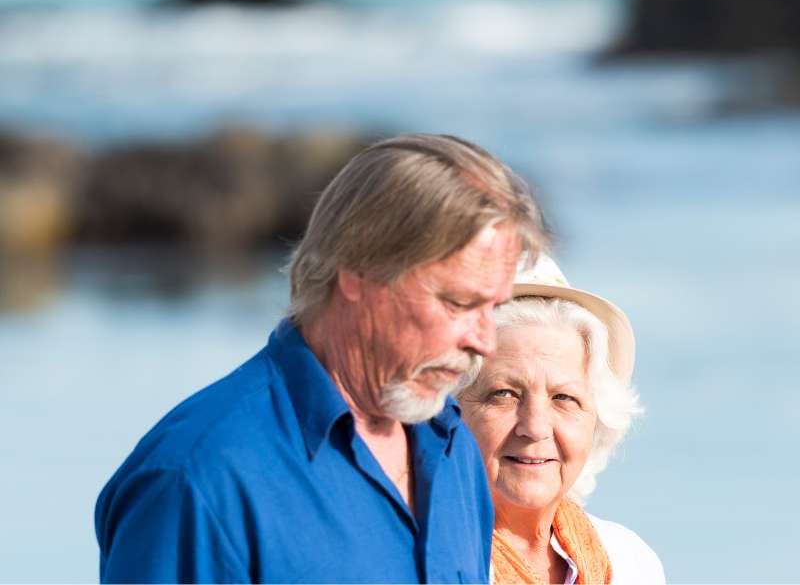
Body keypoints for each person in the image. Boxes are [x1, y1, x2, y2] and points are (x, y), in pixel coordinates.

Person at [94, 134, 548, 583]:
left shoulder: (453, 448)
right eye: (459, 303)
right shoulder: (198, 480)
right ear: (357, 270)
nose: (484, 341)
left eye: (493, 308)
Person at [458, 254, 665, 584]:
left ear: (597, 419)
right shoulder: (421, 558)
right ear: (447, 414)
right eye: (504, 394)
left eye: (563, 398)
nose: (536, 427)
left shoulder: (630, 560)